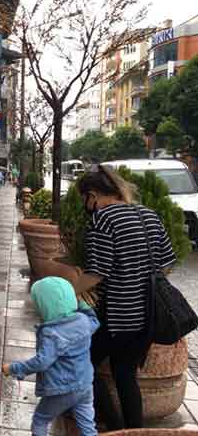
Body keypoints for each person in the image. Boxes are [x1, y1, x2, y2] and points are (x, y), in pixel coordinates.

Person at [76, 165, 176, 430]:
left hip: (118, 316)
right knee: (125, 375)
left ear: (93, 195)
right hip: (149, 315)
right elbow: (166, 264)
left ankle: (114, 425)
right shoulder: (149, 214)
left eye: (85, 200)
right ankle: (132, 430)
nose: (87, 206)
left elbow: (96, 273)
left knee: (81, 362)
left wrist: (68, 291)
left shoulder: (104, 219)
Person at [2, 277, 100, 436]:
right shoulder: (83, 321)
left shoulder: (51, 333)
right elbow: (94, 321)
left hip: (62, 389)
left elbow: (42, 362)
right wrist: (81, 304)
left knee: (40, 420)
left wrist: (14, 368)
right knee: (88, 426)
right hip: (85, 385)